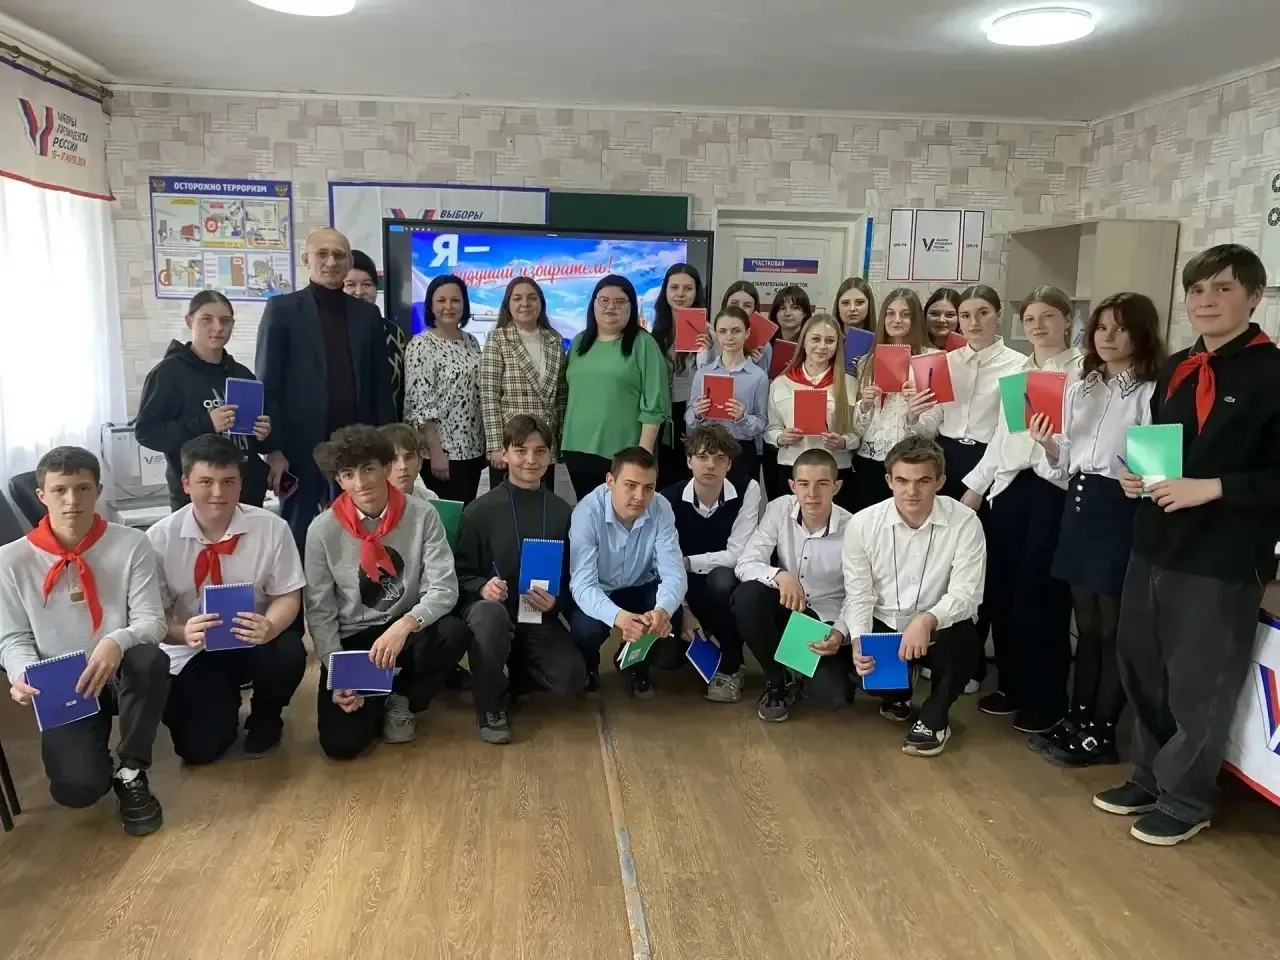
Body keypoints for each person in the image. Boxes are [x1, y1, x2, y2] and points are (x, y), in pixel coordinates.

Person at [1094, 245, 1280, 846]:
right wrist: (1138, 476)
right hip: (1154, 540)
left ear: (1254, 296)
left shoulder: (1272, 373)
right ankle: (1149, 776)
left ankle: (1187, 798)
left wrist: (1215, 487)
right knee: (1142, 665)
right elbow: (1163, 446)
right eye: (1197, 290)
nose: (1206, 301)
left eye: (1223, 288)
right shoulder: (1177, 367)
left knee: (1201, 681)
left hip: (1221, 554)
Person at [0, 447, 168, 836]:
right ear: (41, 495)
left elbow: (151, 621)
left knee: (149, 658)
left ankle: (131, 770)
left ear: (99, 491)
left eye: (82, 488)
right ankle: (93, 757)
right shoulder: (10, 560)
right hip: (64, 683)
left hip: (122, 669)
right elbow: (12, 637)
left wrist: (116, 640)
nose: (72, 500)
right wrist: (21, 673)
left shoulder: (132, 544)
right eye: (59, 490)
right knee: (77, 790)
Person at [1027, 292, 1164, 766]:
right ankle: (1077, 716)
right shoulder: (1081, 385)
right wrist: (1047, 444)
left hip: (1120, 508)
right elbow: (1065, 460)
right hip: (1079, 503)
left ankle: (1102, 731)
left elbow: (1159, 471)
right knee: (1085, 626)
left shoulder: (1151, 390)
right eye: (1102, 327)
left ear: (1141, 333)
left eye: (1120, 328)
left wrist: (1143, 479)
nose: (1108, 336)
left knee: (1113, 630)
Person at [960, 286, 1084, 733]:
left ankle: (1046, 699)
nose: (1037, 325)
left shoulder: (1083, 372)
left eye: (1048, 316)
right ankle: (1012, 685)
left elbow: (1083, 443)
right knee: (1004, 592)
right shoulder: (1018, 372)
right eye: (1030, 318)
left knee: (1041, 596)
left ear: (1067, 320)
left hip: (1053, 489)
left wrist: (1050, 447)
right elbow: (1002, 437)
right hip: (1009, 489)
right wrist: (976, 488)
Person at [303, 426, 466, 759]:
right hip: (354, 639)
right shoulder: (321, 530)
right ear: (339, 480)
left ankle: (401, 696)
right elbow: (320, 610)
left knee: (454, 631)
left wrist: (404, 625)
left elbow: (444, 588)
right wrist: (336, 671)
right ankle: (376, 696)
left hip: (405, 631)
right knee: (342, 746)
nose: (361, 483)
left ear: (386, 467)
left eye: (368, 469)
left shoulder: (422, 514)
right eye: (348, 474)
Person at [148, 435, 307, 764]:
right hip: (193, 649)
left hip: (256, 641)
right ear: (186, 484)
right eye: (206, 482)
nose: (218, 493)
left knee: (288, 650)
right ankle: (222, 703)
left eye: (228, 482)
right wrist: (182, 632)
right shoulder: (158, 539)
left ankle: (267, 713)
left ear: (240, 483)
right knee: (198, 750)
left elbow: (288, 594)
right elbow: (153, 615)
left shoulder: (272, 529)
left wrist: (270, 625)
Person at [844, 437, 987, 756]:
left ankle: (935, 718)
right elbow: (859, 593)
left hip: (937, 628)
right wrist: (858, 640)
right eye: (902, 481)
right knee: (858, 673)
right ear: (888, 481)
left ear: (940, 482)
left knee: (964, 639)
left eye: (923, 481)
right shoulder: (862, 524)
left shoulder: (966, 522)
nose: (912, 491)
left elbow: (967, 594)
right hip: (886, 623)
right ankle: (897, 693)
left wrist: (926, 620)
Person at [255, 227, 395, 554]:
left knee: (359, 534)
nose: (331, 262)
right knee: (300, 533)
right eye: (322, 254)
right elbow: (267, 384)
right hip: (300, 449)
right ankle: (301, 591)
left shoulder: (367, 315)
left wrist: (384, 448)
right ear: (306, 259)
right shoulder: (282, 310)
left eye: (339, 255)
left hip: (357, 447)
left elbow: (380, 386)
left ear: (349, 263)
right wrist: (273, 450)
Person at [449, 415, 583, 744]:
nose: (530, 460)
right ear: (505, 453)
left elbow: (575, 577)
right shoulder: (478, 511)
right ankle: (490, 707)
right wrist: (481, 586)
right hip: (491, 613)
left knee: (571, 677)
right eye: (521, 450)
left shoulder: (563, 512)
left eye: (540, 452)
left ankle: (516, 670)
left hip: (536, 614)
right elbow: (458, 574)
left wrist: (557, 602)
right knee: (488, 616)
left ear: (550, 456)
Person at [731, 449, 853, 722]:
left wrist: (841, 632)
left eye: (822, 484)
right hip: (785, 606)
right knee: (748, 596)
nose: (812, 494)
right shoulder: (779, 509)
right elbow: (745, 563)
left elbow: (858, 593)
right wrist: (780, 576)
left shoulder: (854, 528)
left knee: (833, 696)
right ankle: (777, 679)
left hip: (823, 618)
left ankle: (802, 667)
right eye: (804, 484)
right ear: (792, 485)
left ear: (836, 486)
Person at [134, 291, 271, 510]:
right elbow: (147, 433)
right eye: (207, 319)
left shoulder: (242, 374)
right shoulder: (169, 373)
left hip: (245, 491)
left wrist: (262, 434)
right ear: (190, 321)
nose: (218, 327)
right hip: (197, 496)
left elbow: (253, 440)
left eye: (225, 321)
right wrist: (207, 423)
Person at [568, 446, 687, 697]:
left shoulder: (661, 507)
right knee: (586, 628)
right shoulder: (586, 512)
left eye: (648, 488)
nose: (639, 497)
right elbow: (582, 585)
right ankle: (589, 666)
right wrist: (619, 617)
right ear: (610, 482)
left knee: (670, 617)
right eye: (630, 486)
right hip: (600, 588)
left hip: (640, 584)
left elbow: (674, 571)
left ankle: (634, 665)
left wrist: (662, 611)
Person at [659, 423, 762, 704]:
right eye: (702, 457)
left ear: (729, 464)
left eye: (719, 458)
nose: (710, 465)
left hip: (724, 582)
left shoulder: (747, 489)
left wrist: (688, 561)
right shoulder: (667, 499)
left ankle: (732, 662)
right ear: (689, 460)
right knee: (666, 660)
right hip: (681, 585)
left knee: (722, 579)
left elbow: (737, 554)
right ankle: (700, 641)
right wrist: (683, 609)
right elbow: (665, 564)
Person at [561, 275, 669, 499]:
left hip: (623, 455)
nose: (611, 306)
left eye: (619, 301)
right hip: (576, 449)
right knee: (587, 513)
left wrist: (642, 455)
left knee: (623, 515)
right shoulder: (580, 342)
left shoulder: (643, 344)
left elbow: (655, 403)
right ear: (593, 304)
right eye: (604, 300)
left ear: (631, 307)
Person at [849, 289, 942, 512]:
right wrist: (865, 405)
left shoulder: (932, 359)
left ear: (916, 319)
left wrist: (913, 413)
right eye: (890, 313)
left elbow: (931, 430)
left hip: (912, 465)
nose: (897, 320)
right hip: (870, 462)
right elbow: (858, 430)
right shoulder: (866, 362)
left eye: (905, 314)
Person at [937, 285, 1027, 501]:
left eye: (983, 313)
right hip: (942, 457)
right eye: (965, 315)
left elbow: (1013, 432)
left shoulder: (1020, 366)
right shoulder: (945, 362)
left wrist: (978, 486)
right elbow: (934, 417)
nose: (974, 323)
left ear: (998, 315)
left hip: (990, 460)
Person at [403, 274, 487, 505]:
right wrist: (436, 453)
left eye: (455, 300)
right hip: (442, 455)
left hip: (473, 450)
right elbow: (419, 407)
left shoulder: (471, 341)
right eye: (441, 300)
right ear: (431, 306)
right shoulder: (420, 345)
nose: (449, 306)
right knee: (447, 517)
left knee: (466, 513)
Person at [477, 276, 566, 490]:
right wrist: (496, 446)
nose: (525, 303)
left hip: (544, 442)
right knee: (507, 506)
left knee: (542, 503)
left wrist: (561, 443)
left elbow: (561, 396)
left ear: (541, 303)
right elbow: (489, 396)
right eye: (517, 298)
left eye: (532, 298)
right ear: (508, 304)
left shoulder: (554, 339)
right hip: (512, 443)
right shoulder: (498, 338)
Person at [764, 313, 859, 508]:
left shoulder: (850, 384)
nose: (822, 346)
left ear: (838, 345)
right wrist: (781, 437)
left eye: (830, 341)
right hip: (791, 467)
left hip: (835, 470)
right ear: (804, 342)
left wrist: (843, 442)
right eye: (815, 339)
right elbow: (770, 428)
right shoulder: (781, 383)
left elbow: (858, 433)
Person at [687, 306, 769, 488]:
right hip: (708, 449)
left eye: (736, 331)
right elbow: (689, 417)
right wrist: (698, 413)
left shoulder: (758, 376)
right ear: (716, 334)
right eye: (723, 331)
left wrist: (742, 418)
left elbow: (762, 422)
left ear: (747, 333)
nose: (729, 337)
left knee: (742, 500)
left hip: (741, 450)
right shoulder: (703, 373)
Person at [647, 264, 708, 489]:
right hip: (658, 412)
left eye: (687, 288)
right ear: (665, 291)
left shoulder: (709, 332)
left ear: (696, 292)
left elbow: (715, 377)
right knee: (659, 480)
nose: (680, 294)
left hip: (690, 412)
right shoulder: (654, 332)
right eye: (674, 288)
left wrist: (706, 353)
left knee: (686, 481)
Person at [344, 249, 408, 420]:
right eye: (350, 285)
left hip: (386, 429)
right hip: (342, 432)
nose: (359, 292)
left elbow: (402, 392)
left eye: (367, 284)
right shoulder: (331, 331)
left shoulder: (394, 333)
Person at [378, 422, 437, 502]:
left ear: (420, 462)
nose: (403, 466)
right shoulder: (369, 503)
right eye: (393, 459)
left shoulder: (430, 498)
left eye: (409, 457)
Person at [719, 280, 769, 370]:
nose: (740, 309)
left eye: (747, 305)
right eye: (734, 303)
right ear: (725, 306)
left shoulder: (763, 346)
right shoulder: (713, 336)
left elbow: (764, 377)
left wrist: (753, 365)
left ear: (754, 310)